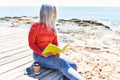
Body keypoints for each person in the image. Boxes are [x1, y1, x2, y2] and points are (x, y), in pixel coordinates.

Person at [28, 4, 84, 80]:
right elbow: (31, 44)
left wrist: (58, 51)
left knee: (74, 65)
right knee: (62, 63)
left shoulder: (52, 26)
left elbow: (55, 43)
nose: (55, 14)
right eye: (53, 12)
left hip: (52, 53)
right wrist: (42, 54)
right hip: (39, 56)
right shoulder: (35, 26)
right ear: (46, 12)